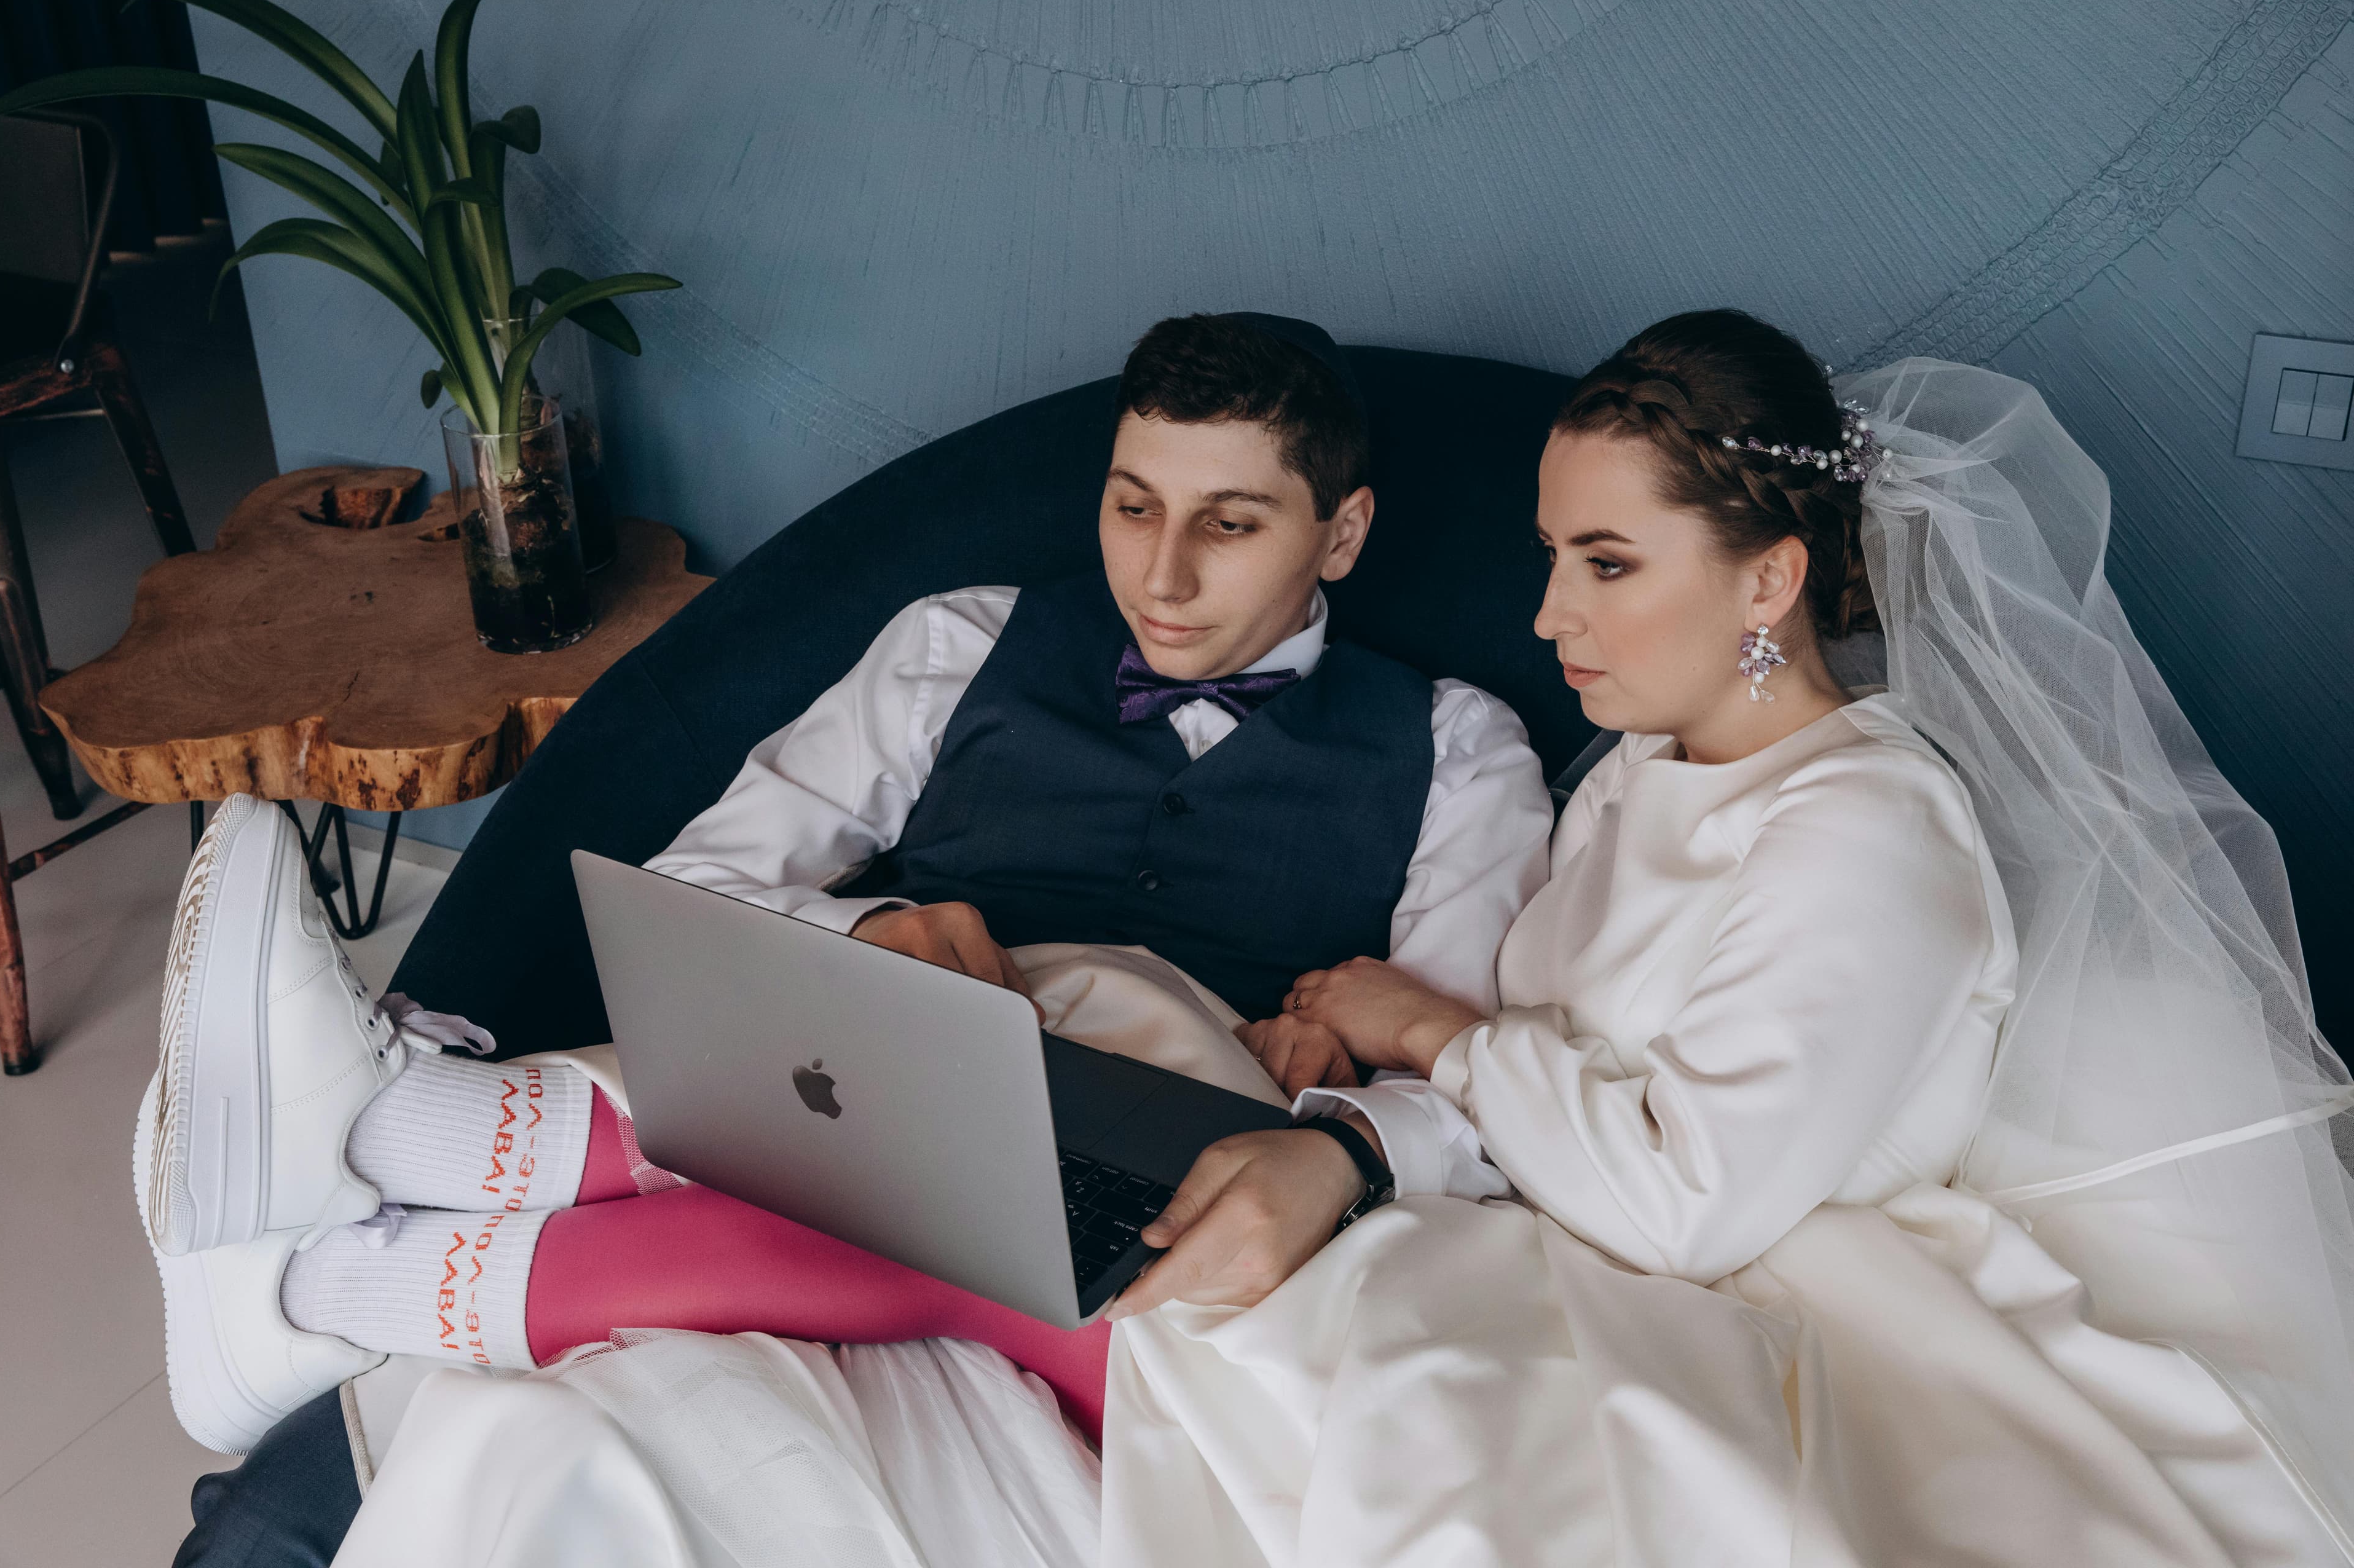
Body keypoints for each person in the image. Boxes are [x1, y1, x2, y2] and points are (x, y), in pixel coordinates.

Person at [326, 311, 2353, 1567]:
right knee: (1016, 1208)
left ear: (1773, 580)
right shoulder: (1636, 776)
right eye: (1131, 508)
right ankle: (438, 1157)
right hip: (1430, 1179)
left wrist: (1385, 1071)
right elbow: (1514, 1056)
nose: (1549, 619)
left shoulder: (1744, 816)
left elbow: (1613, 1132)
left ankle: (459, 1198)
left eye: (1604, 565)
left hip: (1698, 1278)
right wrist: (887, 926)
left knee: (1143, 1292)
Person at [144, 313, 1554, 1486]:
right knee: (843, 1101)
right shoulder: (966, 639)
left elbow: (1457, 1065)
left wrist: (1351, 1107)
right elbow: (697, 879)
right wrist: (869, 930)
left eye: (1229, 524)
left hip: (1184, 1098)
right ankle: (362, 1194)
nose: (1163, 573)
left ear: (1344, 530)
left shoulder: (1463, 748)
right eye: (1134, 507)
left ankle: (373, 1170)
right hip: (904, 1059)